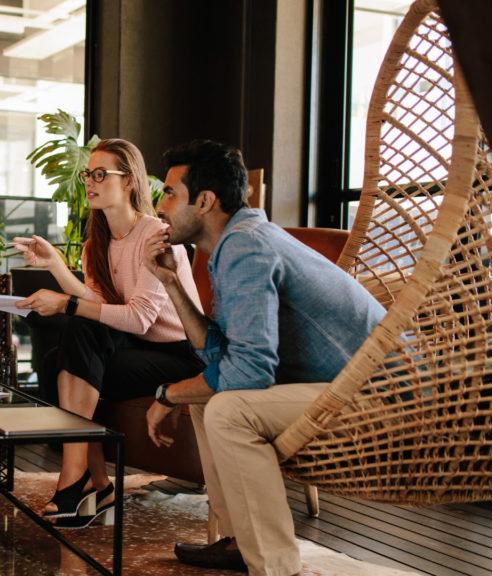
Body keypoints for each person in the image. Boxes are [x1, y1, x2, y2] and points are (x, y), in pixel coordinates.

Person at [143, 140, 385, 575]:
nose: (160, 206)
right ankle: (240, 540)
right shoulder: (233, 244)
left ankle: (276, 567)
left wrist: (166, 394)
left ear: (205, 201)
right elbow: (221, 354)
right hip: (338, 385)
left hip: (380, 395)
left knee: (228, 410)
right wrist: (172, 285)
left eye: (168, 193)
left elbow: (249, 371)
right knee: (208, 399)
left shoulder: (246, 247)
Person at [12, 138, 206, 528]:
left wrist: (65, 303)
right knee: (56, 360)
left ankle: (79, 480)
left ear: (130, 181)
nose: (89, 181)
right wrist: (55, 265)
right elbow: (97, 304)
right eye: (88, 174)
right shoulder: (96, 242)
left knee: (73, 343)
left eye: (101, 174)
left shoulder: (156, 235)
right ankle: (97, 484)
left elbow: (138, 320)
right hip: (138, 348)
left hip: (182, 354)